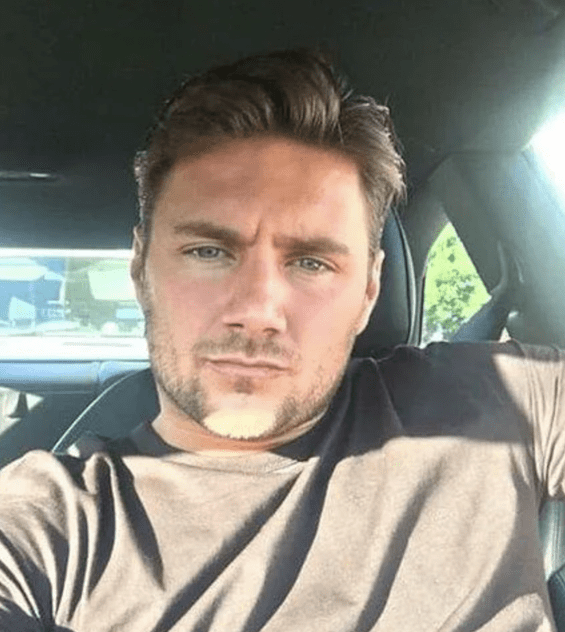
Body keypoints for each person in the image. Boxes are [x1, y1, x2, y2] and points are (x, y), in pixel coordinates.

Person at [0, 48, 564, 632]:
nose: (257, 311)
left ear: (369, 290)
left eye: (312, 263)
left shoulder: (499, 400)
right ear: (141, 269)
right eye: (208, 252)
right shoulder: (53, 524)